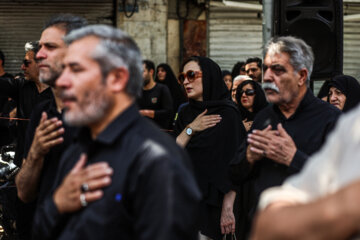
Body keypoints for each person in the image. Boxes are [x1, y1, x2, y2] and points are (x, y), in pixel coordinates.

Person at [32, 24, 201, 240]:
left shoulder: (157, 161)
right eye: (63, 69)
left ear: (117, 78)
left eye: (76, 69)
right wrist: (57, 203)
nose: (63, 82)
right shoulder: (78, 150)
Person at [230, 36, 341, 237]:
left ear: (301, 76)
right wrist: (249, 156)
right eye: (266, 69)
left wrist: (293, 158)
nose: (268, 77)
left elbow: (342, 188)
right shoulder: (263, 117)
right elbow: (234, 175)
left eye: (278, 70)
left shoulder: (331, 120)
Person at [15, 14, 87, 239]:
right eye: (40, 47)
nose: (40, 55)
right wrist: (35, 153)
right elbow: (24, 193)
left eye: (50, 47)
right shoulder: (42, 114)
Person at [252, 104, 360, 240]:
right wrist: (249, 155)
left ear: (301, 81)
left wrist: (294, 158)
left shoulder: (331, 117)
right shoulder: (351, 124)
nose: (269, 81)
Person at [174, 56, 245, 240]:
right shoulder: (185, 113)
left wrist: (228, 208)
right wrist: (191, 128)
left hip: (218, 203)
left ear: (209, 77)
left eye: (191, 75)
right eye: (182, 77)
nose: (186, 82)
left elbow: (237, 165)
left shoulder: (228, 114)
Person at [0, 42, 53, 167]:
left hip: (50, 164)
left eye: (27, 63)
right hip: (24, 162)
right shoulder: (22, 85)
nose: (22, 67)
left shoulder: (61, 91)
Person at [137, 60, 174, 130]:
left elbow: (168, 112)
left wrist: (146, 113)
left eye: (142, 71)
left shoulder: (162, 89)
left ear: (151, 72)